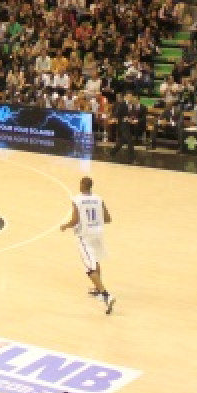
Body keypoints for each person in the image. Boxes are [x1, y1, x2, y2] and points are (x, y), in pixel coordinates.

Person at [59, 176, 114, 314]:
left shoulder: (77, 200)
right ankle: (97, 289)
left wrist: (65, 226)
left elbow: (75, 220)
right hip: (98, 234)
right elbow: (108, 219)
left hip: (85, 236)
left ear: (82, 185)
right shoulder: (98, 199)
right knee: (95, 260)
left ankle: (106, 294)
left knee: (89, 268)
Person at [110, 92, 142, 162]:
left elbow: (133, 115)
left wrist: (133, 120)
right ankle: (132, 159)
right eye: (129, 96)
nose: (131, 98)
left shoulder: (133, 106)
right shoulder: (122, 105)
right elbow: (116, 114)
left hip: (129, 126)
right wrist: (123, 119)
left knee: (122, 141)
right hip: (123, 125)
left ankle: (112, 152)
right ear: (126, 97)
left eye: (131, 96)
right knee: (130, 141)